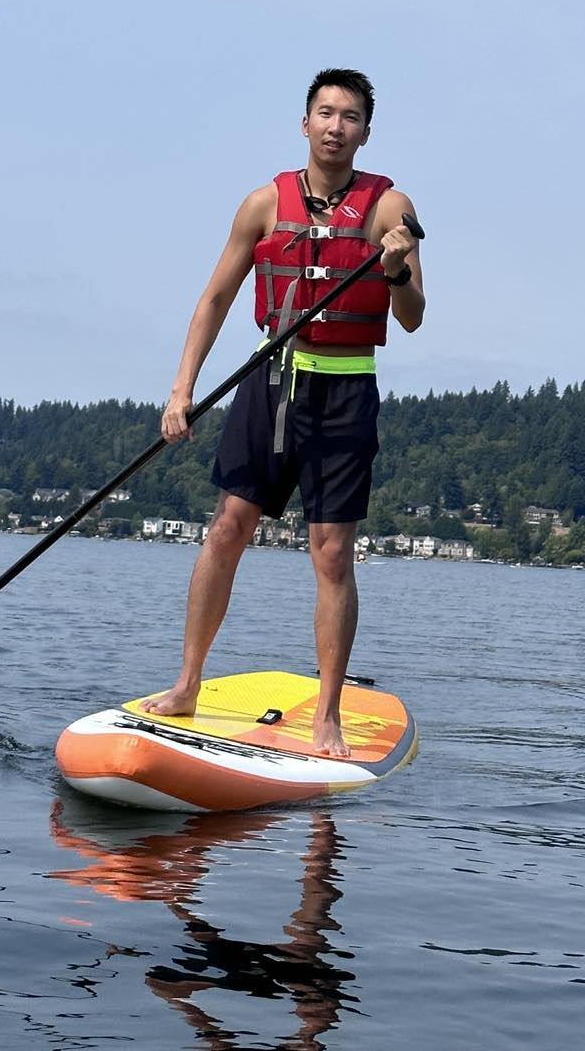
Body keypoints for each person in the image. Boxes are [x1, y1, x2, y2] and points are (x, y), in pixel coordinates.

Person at [141, 68, 424, 756]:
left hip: (346, 394)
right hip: (271, 383)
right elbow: (213, 301)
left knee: (331, 553)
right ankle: (186, 684)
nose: (335, 126)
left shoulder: (390, 209)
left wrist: (394, 267)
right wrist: (182, 391)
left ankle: (326, 714)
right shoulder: (263, 203)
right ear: (304, 123)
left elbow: (413, 317)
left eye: (349, 116)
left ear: (364, 131)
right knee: (225, 529)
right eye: (324, 113)